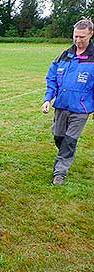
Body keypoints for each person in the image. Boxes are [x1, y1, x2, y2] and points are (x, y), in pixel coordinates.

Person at [42, 19, 94, 185]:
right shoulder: (65, 55)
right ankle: (65, 154)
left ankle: (60, 172)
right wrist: (48, 99)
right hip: (61, 105)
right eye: (76, 36)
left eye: (82, 37)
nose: (78, 41)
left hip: (81, 108)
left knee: (70, 140)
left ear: (91, 34)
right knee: (59, 136)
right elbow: (52, 77)